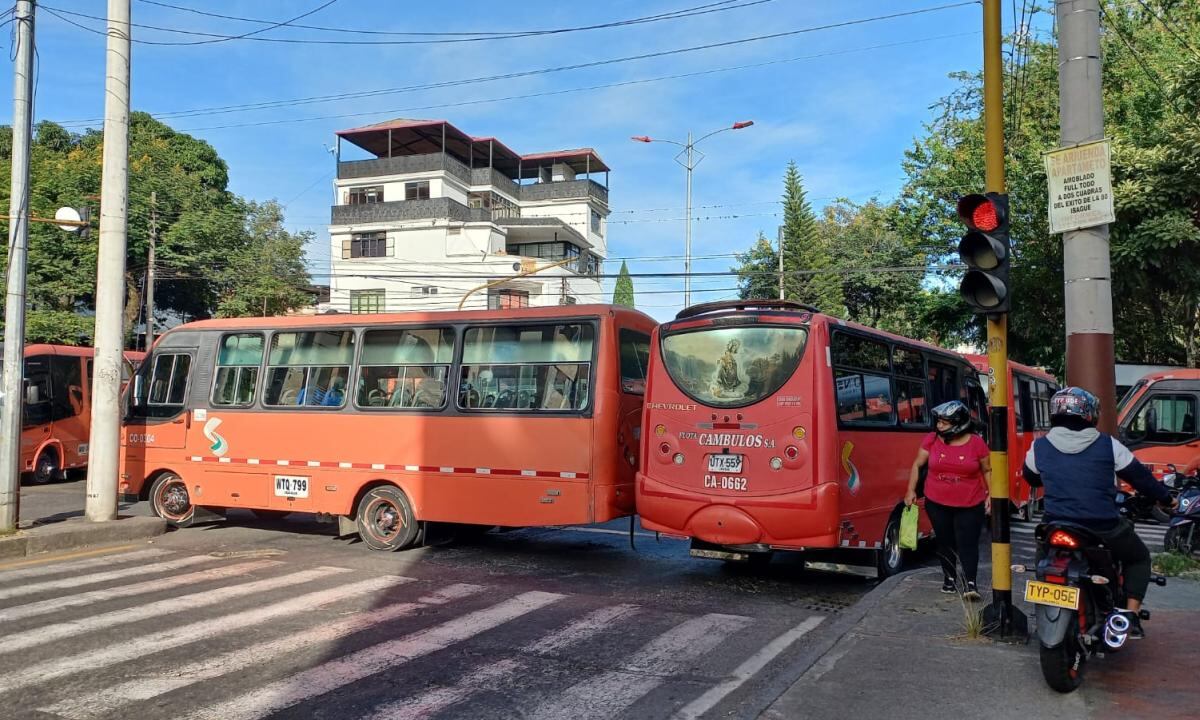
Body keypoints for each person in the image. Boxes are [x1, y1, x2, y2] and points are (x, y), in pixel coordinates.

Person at [1023, 386, 1176, 639]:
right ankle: (1131, 616)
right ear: (1090, 414)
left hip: (1055, 525)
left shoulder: (1038, 447)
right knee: (1139, 558)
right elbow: (1141, 479)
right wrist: (1167, 500)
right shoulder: (1108, 445)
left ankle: (1045, 594)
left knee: (1044, 560)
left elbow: (1032, 478)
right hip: (1101, 527)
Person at [905, 400, 991, 599]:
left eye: (945, 422)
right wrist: (910, 490)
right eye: (939, 421)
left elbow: (987, 470)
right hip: (936, 501)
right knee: (945, 541)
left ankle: (970, 583)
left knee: (967, 542)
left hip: (970, 502)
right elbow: (917, 465)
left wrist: (991, 496)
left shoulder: (976, 443)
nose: (939, 425)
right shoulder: (931, 439)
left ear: (958, 423)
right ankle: (949, 579)